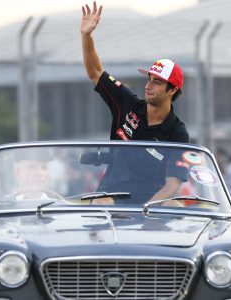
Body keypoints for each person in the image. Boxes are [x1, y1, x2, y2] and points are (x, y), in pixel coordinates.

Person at [80, 2, 189, 205]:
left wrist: (147, 212)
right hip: (111, 195)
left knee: (175, 204)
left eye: (157, 82)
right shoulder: (128, 102)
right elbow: (95, 72)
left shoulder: (178, 132)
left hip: (151, 201)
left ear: (172, 90)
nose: (148, 86)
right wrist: (86, 36)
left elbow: (172, 185)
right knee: (102, 203)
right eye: (149, 79)